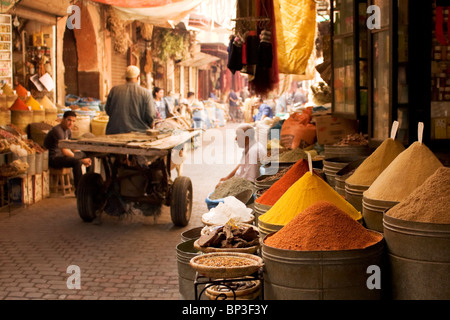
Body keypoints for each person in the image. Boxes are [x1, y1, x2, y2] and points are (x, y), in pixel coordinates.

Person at [44, 111, 92, 194]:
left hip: (62, 156)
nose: (71, 123)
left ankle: (89, 186)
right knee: (77, 162)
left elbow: (72, 148)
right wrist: (80, 159)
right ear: (63, 119)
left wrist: (83, 157)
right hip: (54, 158)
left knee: (88, 156)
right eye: (69, 120)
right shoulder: (57, 130)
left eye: (73, 121)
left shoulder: (68, 131)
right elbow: (65, 151)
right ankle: (79, 191)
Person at [105, 65, 156, 134]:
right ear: (138, 77)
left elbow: (108, 110)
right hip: (140, 133)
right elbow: (150, 115)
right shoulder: (146, 93)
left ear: (126, 77)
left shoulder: (114, 90)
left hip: (114, 132)